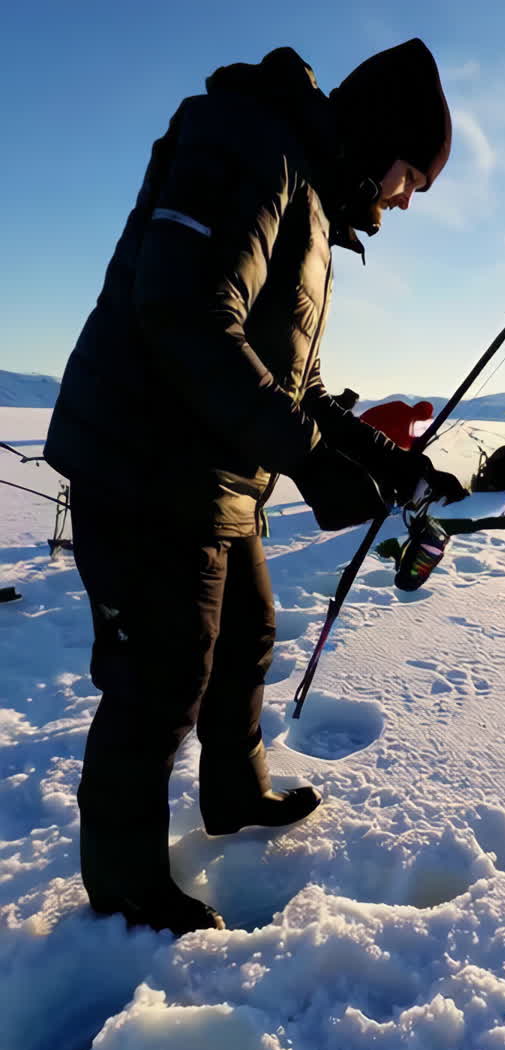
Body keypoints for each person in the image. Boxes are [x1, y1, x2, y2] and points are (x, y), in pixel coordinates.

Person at [44, 39, 466, 935]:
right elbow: (185, 314)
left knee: (247, 634)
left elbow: (297, 383)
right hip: (143, 460)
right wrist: (310, 458)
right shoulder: (247, 139)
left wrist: (387, 462)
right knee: (163, 675)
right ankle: (124, 891)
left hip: (216, 471)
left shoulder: (306, 191)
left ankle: (234, 794)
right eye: (411, 179)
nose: (403, 200)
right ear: (383, 137)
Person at [360, 399, 434, 449]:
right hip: (364, 434)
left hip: (366, 432)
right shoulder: (399, 410)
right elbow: (401, 442)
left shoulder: (404, 413)